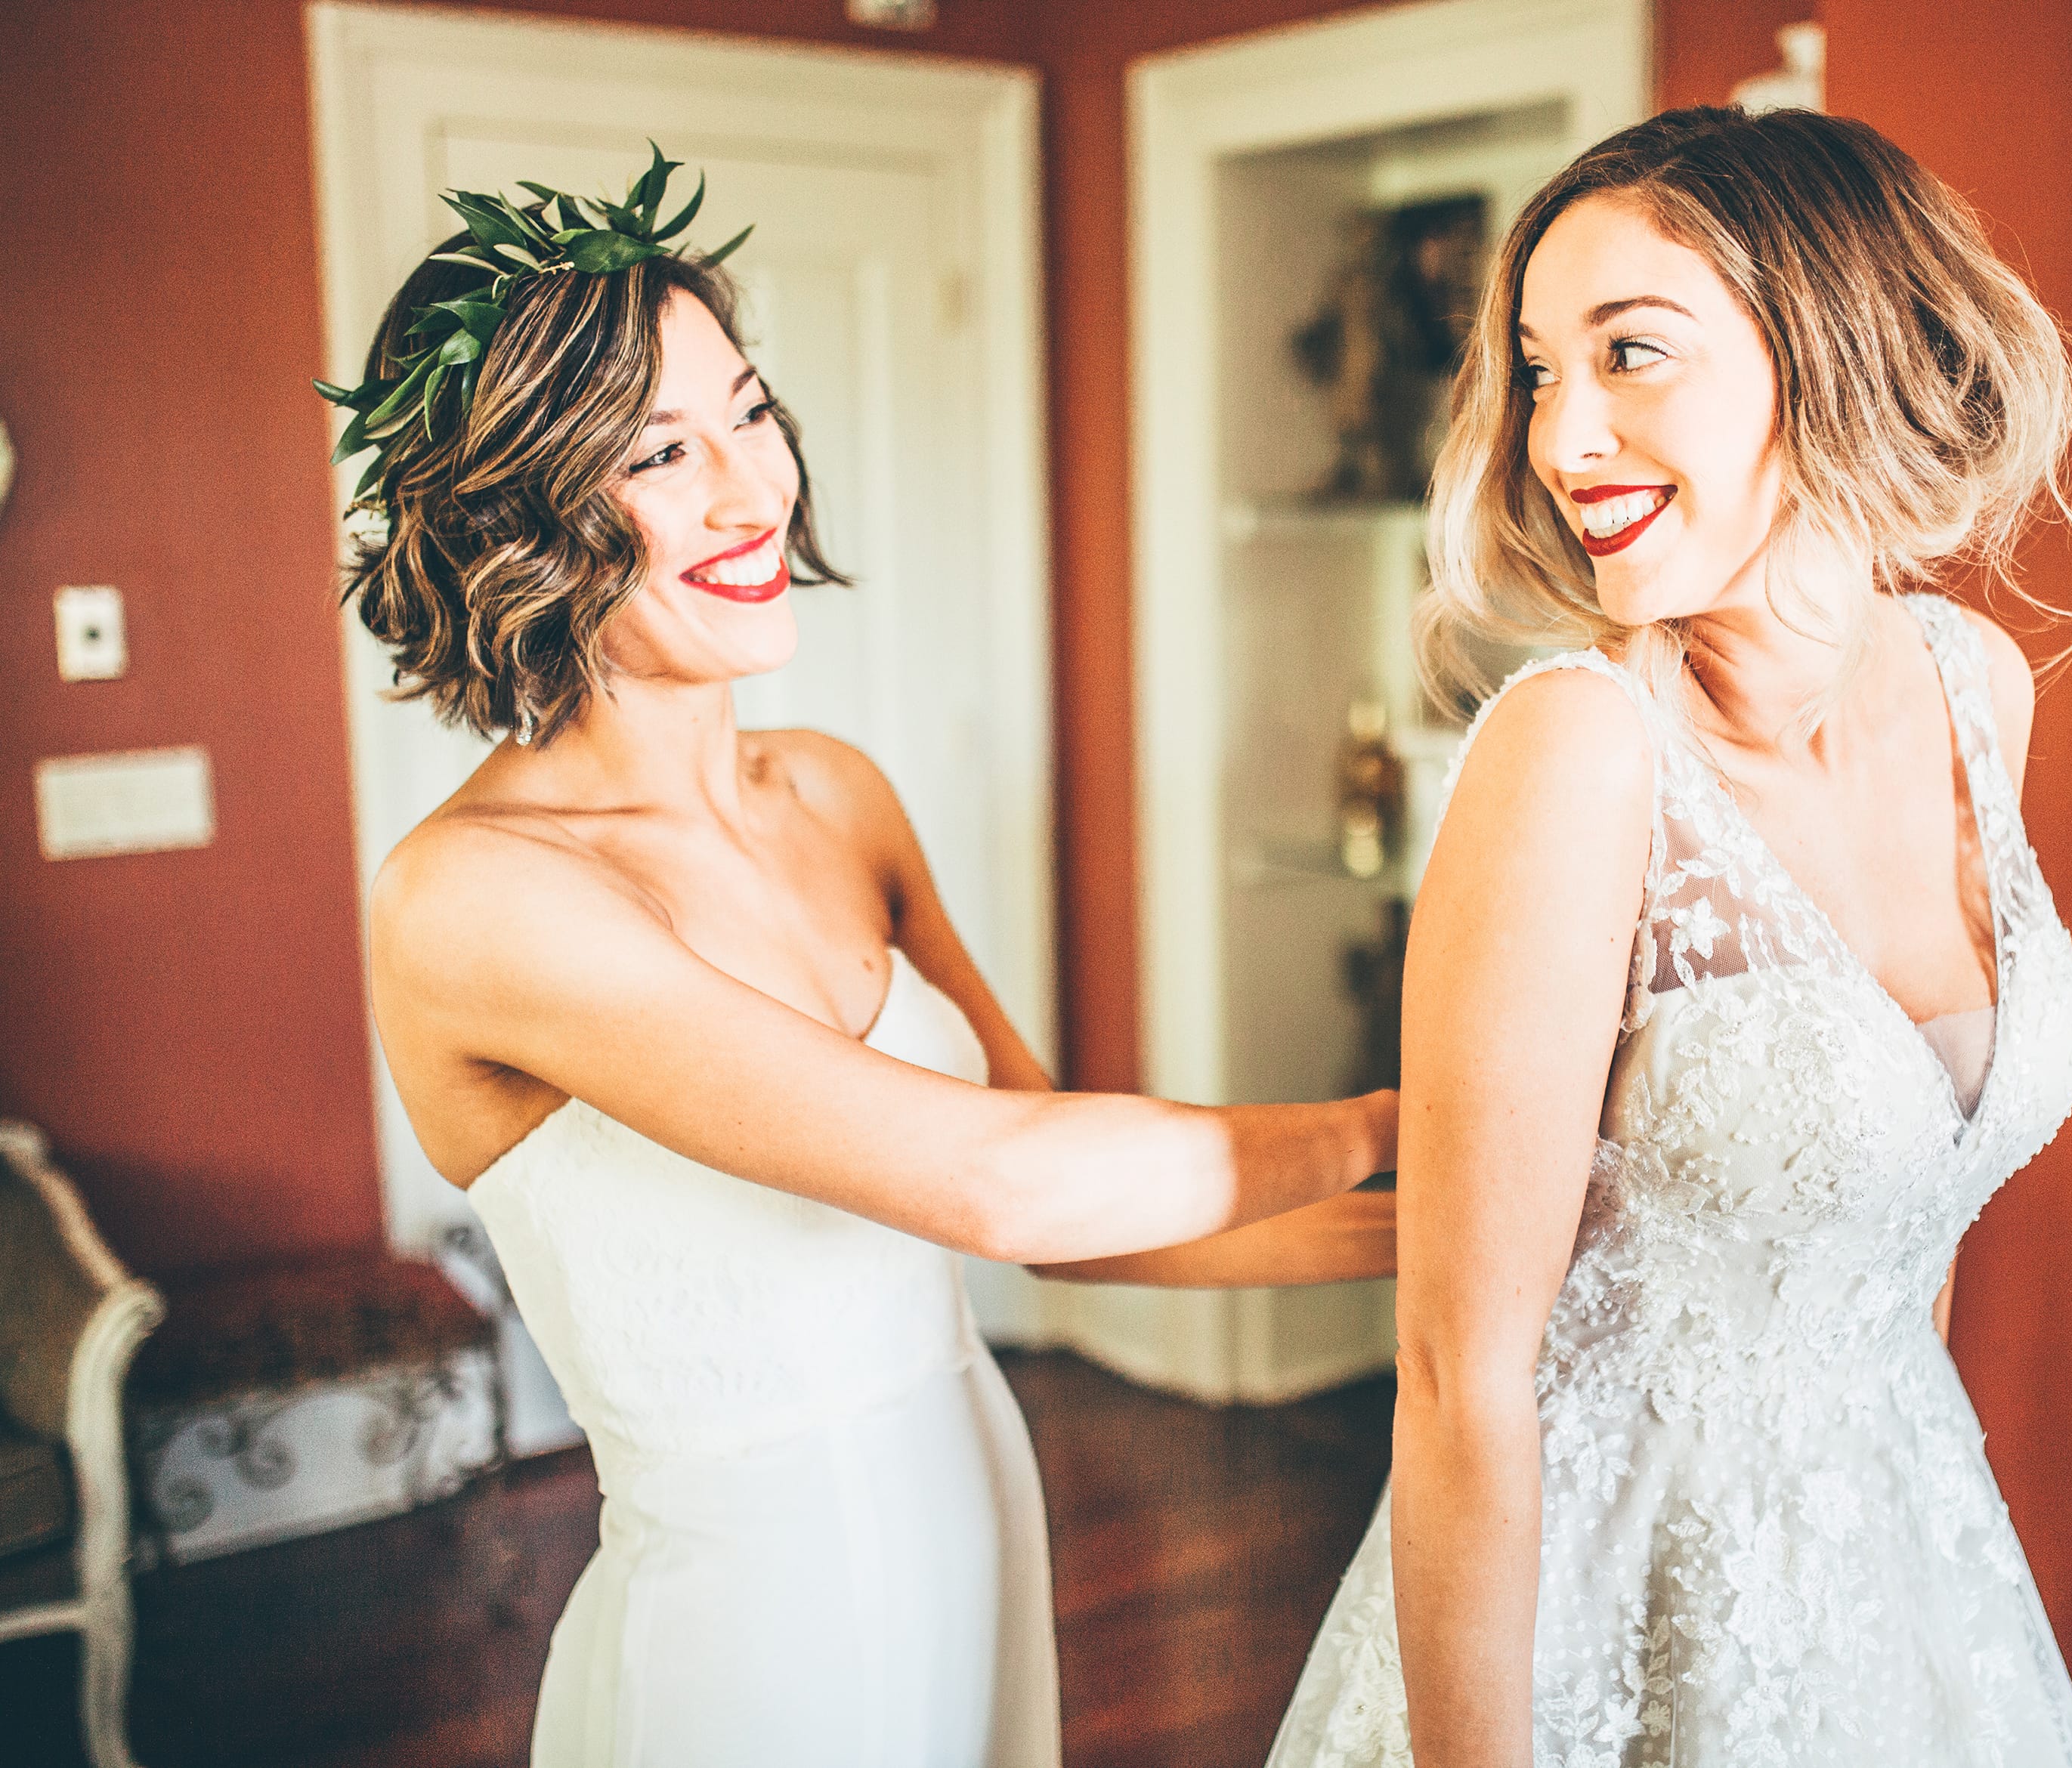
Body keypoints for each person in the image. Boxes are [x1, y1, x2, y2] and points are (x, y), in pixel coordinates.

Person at [323, 153, 1396, 1768]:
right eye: (656, 456)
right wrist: (1416, 1119)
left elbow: (1079, 1235)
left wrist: (1463, 1229)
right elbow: (1002, 1187)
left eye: (749, 414)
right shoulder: (477, 901)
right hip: (757, 1640)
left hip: (984, 1513)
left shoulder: (833, 792)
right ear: (514, 518)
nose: (753, 494)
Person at [1268, 107, 2072, 1766]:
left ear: (1837, 348)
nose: (1564, 433)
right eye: (1535, 371)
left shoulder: (1973, 688)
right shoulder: (1576, 751)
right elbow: (1456, 1379)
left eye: (1630, 354)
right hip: (1598, 1595)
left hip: (1905, 1557)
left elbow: (1898, 1232)